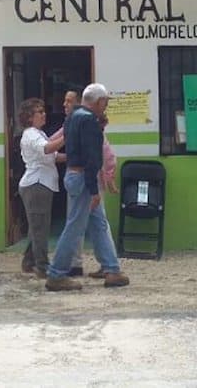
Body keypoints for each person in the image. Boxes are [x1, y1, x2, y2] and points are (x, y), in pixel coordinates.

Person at [45, 83, 129, 291]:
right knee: (75, 227)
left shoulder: (72, 118)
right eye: (106, 102)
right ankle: (56, 274)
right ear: (100, 101)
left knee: (98, 223)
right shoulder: (89, 120)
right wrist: (94, 190)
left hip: (74, 174)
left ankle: (111, 269)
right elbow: (92, 158)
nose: (106, 106)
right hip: (84, 178)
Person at [17, 98, 66, 278]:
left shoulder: (39, 133)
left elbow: (53, 156)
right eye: (40, 112)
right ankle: (42, 266)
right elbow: (47, 150)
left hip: (42, 183)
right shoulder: (31, 134)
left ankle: (30, 261)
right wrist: (67, 136)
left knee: (36, 227)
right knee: (40, 228)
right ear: (30, 117)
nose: (44, 114)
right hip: (37, 184)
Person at [49, 89, 87, 276]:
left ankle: (59, 268)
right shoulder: (70, 123)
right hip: (81, 177)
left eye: (69, 101)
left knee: (77, 223)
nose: (65, 104)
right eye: (64, 100)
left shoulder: (84, 121)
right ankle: (105, 265)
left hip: (85, 177)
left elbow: (103, 152)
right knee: (96, 224)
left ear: (80, 102)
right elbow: (50, 143)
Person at [85, 113, 119, 279]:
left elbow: (109, 158)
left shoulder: (97, 138)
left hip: (94, 183)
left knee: (99, 225)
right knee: (97, 225)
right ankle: (107, 264)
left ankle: (110, 265)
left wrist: (109, 178)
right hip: (95, 182)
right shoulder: (97, 136)